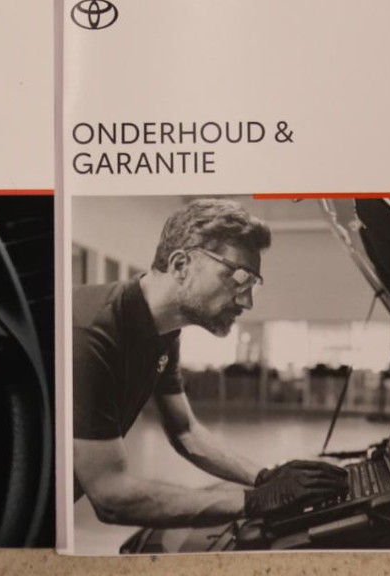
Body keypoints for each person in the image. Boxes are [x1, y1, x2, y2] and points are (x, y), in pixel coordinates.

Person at [72, 198, 347, 527]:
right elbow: (111, 496)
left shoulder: (164, 332)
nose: (247, 302)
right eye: (239, 277)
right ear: (180, 265)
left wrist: (265, 478)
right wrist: (254, 501)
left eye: (253, 285)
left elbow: (187, 432)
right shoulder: (89, 333)